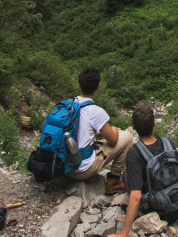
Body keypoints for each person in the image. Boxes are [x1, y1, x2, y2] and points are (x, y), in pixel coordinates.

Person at [66, 67, 132, 194]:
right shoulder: (96, 112)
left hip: (64, 166)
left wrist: (98, 133)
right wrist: (113, 129)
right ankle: (113, 181)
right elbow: (113, 141)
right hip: (81, 170)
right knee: (128, 137)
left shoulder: (68, 106)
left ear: (79, 85)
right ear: (98, 87)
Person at [109, 105, 170, 237]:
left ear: (134, 127)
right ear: (154, 124)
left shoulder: (134, 153)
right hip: (176, 197)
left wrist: (123, 234)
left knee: (126, 175)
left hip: (157, 205)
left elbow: (136, 196)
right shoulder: (168, 143)